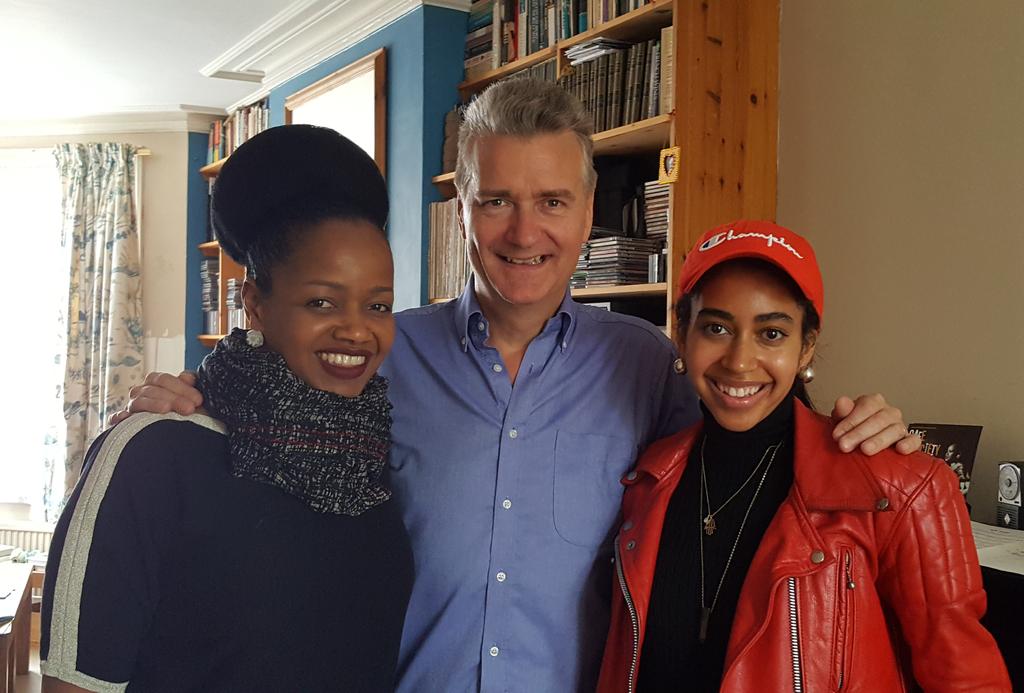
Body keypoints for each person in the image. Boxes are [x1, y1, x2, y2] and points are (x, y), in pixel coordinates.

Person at [115, 80, 920, 691]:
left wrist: (868, 439)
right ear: (461, 206)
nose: (524, 232)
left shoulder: (648, 368)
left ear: (588, 210)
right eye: (496, 200)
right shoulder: (383, 351)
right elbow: (266, 436)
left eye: (551, 202)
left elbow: (754, 450)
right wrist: (189, 404)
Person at [41, 125, 413, 692]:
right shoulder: (155, 452)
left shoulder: (373, 452)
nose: (357, 329)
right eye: (321, 301)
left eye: (379, 305)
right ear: (255, 302)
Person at [598, 220, 1010, 692]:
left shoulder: (902, 489)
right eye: (716, 327)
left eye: (771, 333)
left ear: (806, 346)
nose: (739, 361)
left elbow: (968, 679)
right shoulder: (648, 480)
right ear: (682, 333)